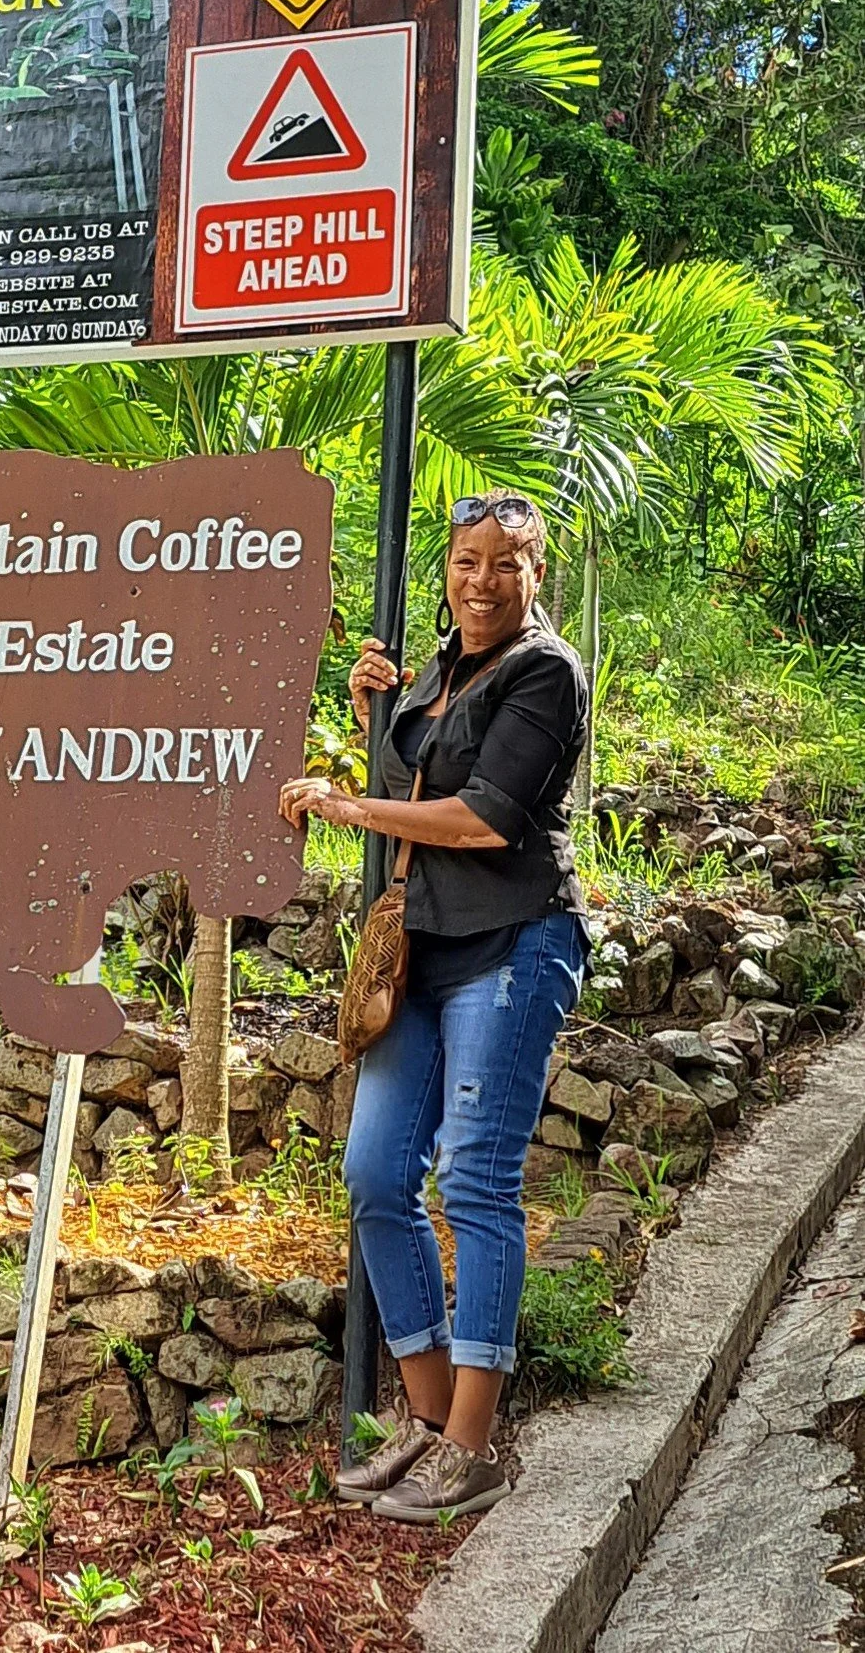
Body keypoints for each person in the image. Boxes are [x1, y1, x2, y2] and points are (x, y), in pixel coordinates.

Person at [278, 492, 589, 1525]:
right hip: (419, 954)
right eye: (466, 561)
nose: (482, 580)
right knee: (372, 1172)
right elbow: (408, 774)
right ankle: (423, 1420)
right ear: (445, 569)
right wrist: (378, 709)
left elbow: (481, 816)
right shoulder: (437, 667)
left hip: (512, 944)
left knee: (474, 1179)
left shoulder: (543, 673)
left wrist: (345, 805)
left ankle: (473, 1446)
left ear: (535, 573)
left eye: (506, 563)